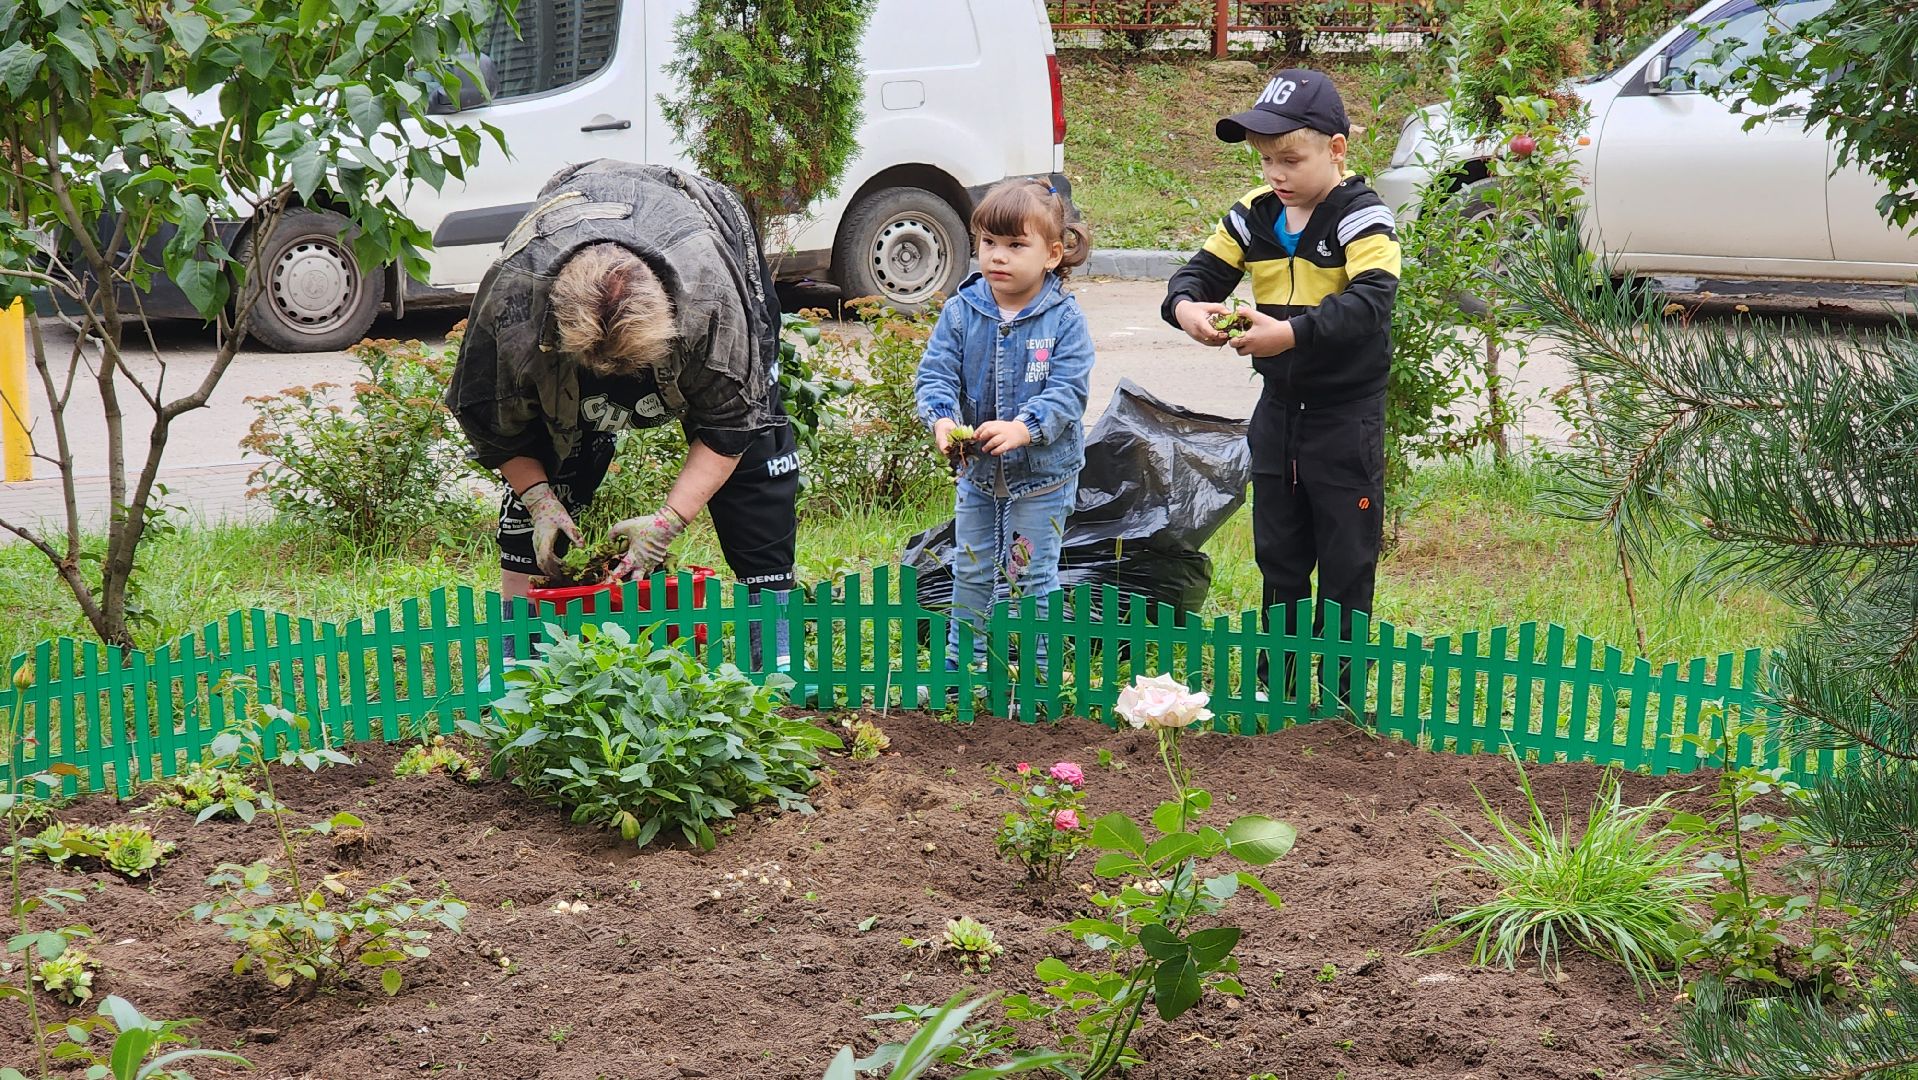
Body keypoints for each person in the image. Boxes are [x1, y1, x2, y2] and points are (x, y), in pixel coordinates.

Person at [448, 159, 800, 666]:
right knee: (544, 465)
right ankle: (516, 660)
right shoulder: (515, 301)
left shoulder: (712, 301)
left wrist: (668, 524)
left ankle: (775, 654)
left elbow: (730, 424)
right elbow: (499, 426)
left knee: (759, 462)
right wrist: (539, 500)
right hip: (561, 282)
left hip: (705, 227)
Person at [1160, 68, 1401, 700]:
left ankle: (1342, 698)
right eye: (1265, 159)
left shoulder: (1361, 213)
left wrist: (1288, 335)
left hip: (1346, 416)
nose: (1276, 173)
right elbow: (1195, 278)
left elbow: (1373, 303)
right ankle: (1278, 687)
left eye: (1290, 159)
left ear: (1337, 148)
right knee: (1280, 553)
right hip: (1278, 412)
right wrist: (1188, 310)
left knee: (1348, 562)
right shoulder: (1253, 214)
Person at [915, 179, 1095, 673]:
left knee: (1029, 574)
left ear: (1053, 254)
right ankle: (960, 671)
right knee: (971, 569)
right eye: (989, 243)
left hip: (1042, 478)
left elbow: (1069, 391)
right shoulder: (961, 311)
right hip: (976, 475)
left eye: (1016, 245)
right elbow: (935, 374)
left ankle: (1038, 674)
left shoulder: (1064, 319)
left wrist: (1025, 427)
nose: (999, 257)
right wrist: (942, 419)